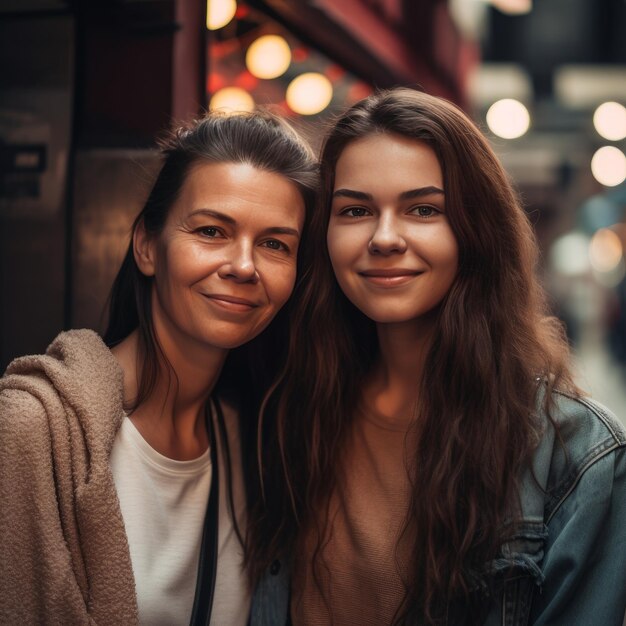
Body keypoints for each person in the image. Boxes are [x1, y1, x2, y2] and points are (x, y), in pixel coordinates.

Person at [247, 89, 626, 625]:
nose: (384, 238)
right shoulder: (287, 404)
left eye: (423, 209)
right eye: (355, 210)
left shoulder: (578, 457)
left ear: (477, 232)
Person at [0, 110, 317, 625]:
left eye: (275, 244)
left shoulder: (254, 441)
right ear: (147, 246)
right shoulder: (34, 431)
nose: (243, 265)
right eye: (213, 230)